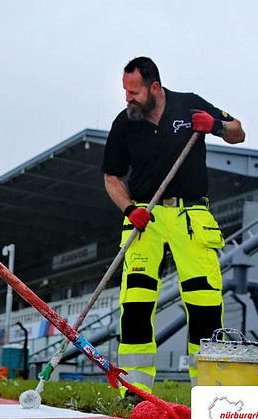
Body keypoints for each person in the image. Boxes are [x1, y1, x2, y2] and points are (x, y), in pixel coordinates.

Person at [101, 56, 245, 404]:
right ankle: (135, 391)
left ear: (154, 87)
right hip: (144, 218)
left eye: (133, 92)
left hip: (190, 216)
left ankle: (209, 392)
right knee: (135, 303)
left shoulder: (190, 103)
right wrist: (129, 208)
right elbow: (111, 178)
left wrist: (215, 125)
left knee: (205, 303)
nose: (128, 98)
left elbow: (238, 132)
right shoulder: (124, 124)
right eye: (125, 91)